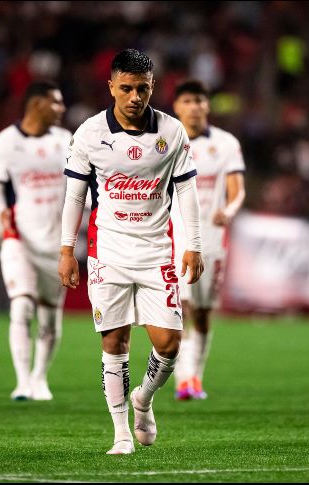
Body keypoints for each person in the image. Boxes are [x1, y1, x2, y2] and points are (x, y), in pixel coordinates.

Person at [59, 49, 204, 455]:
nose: (135, 96)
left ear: (153, 86)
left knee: (170, 342)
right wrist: (66, 249)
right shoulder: (89, 134)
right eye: (126, 88)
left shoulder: (172, 132)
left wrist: (193, 244)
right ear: (111, 87)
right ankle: (121, 434)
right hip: (108, 252)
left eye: (142, 88)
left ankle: (144, 398)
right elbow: (75, 196)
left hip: (158, 251)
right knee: (115, 342)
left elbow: (188, 191)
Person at [0, 81, 70, 401]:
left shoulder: (66, 141)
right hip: (18, 237)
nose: (61, 109)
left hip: (58, 243)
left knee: (49, 313)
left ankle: (39, 378)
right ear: (35, 105)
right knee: (21, 306)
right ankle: (21, 381)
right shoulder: (5, 143)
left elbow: (81, 189)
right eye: (55, 103)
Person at [169, 79, 246, 401]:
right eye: (187, 100)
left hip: (213, 239)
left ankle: (195, 377)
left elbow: (237, 189)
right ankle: (184, 380)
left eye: (199, 100)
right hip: (174, 236)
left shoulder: (226, 143)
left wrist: (229, 210)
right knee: (181, 307)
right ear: (177, 107)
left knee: (202, 312)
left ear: (208, 106)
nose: (194, 106)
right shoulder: (165, 141)